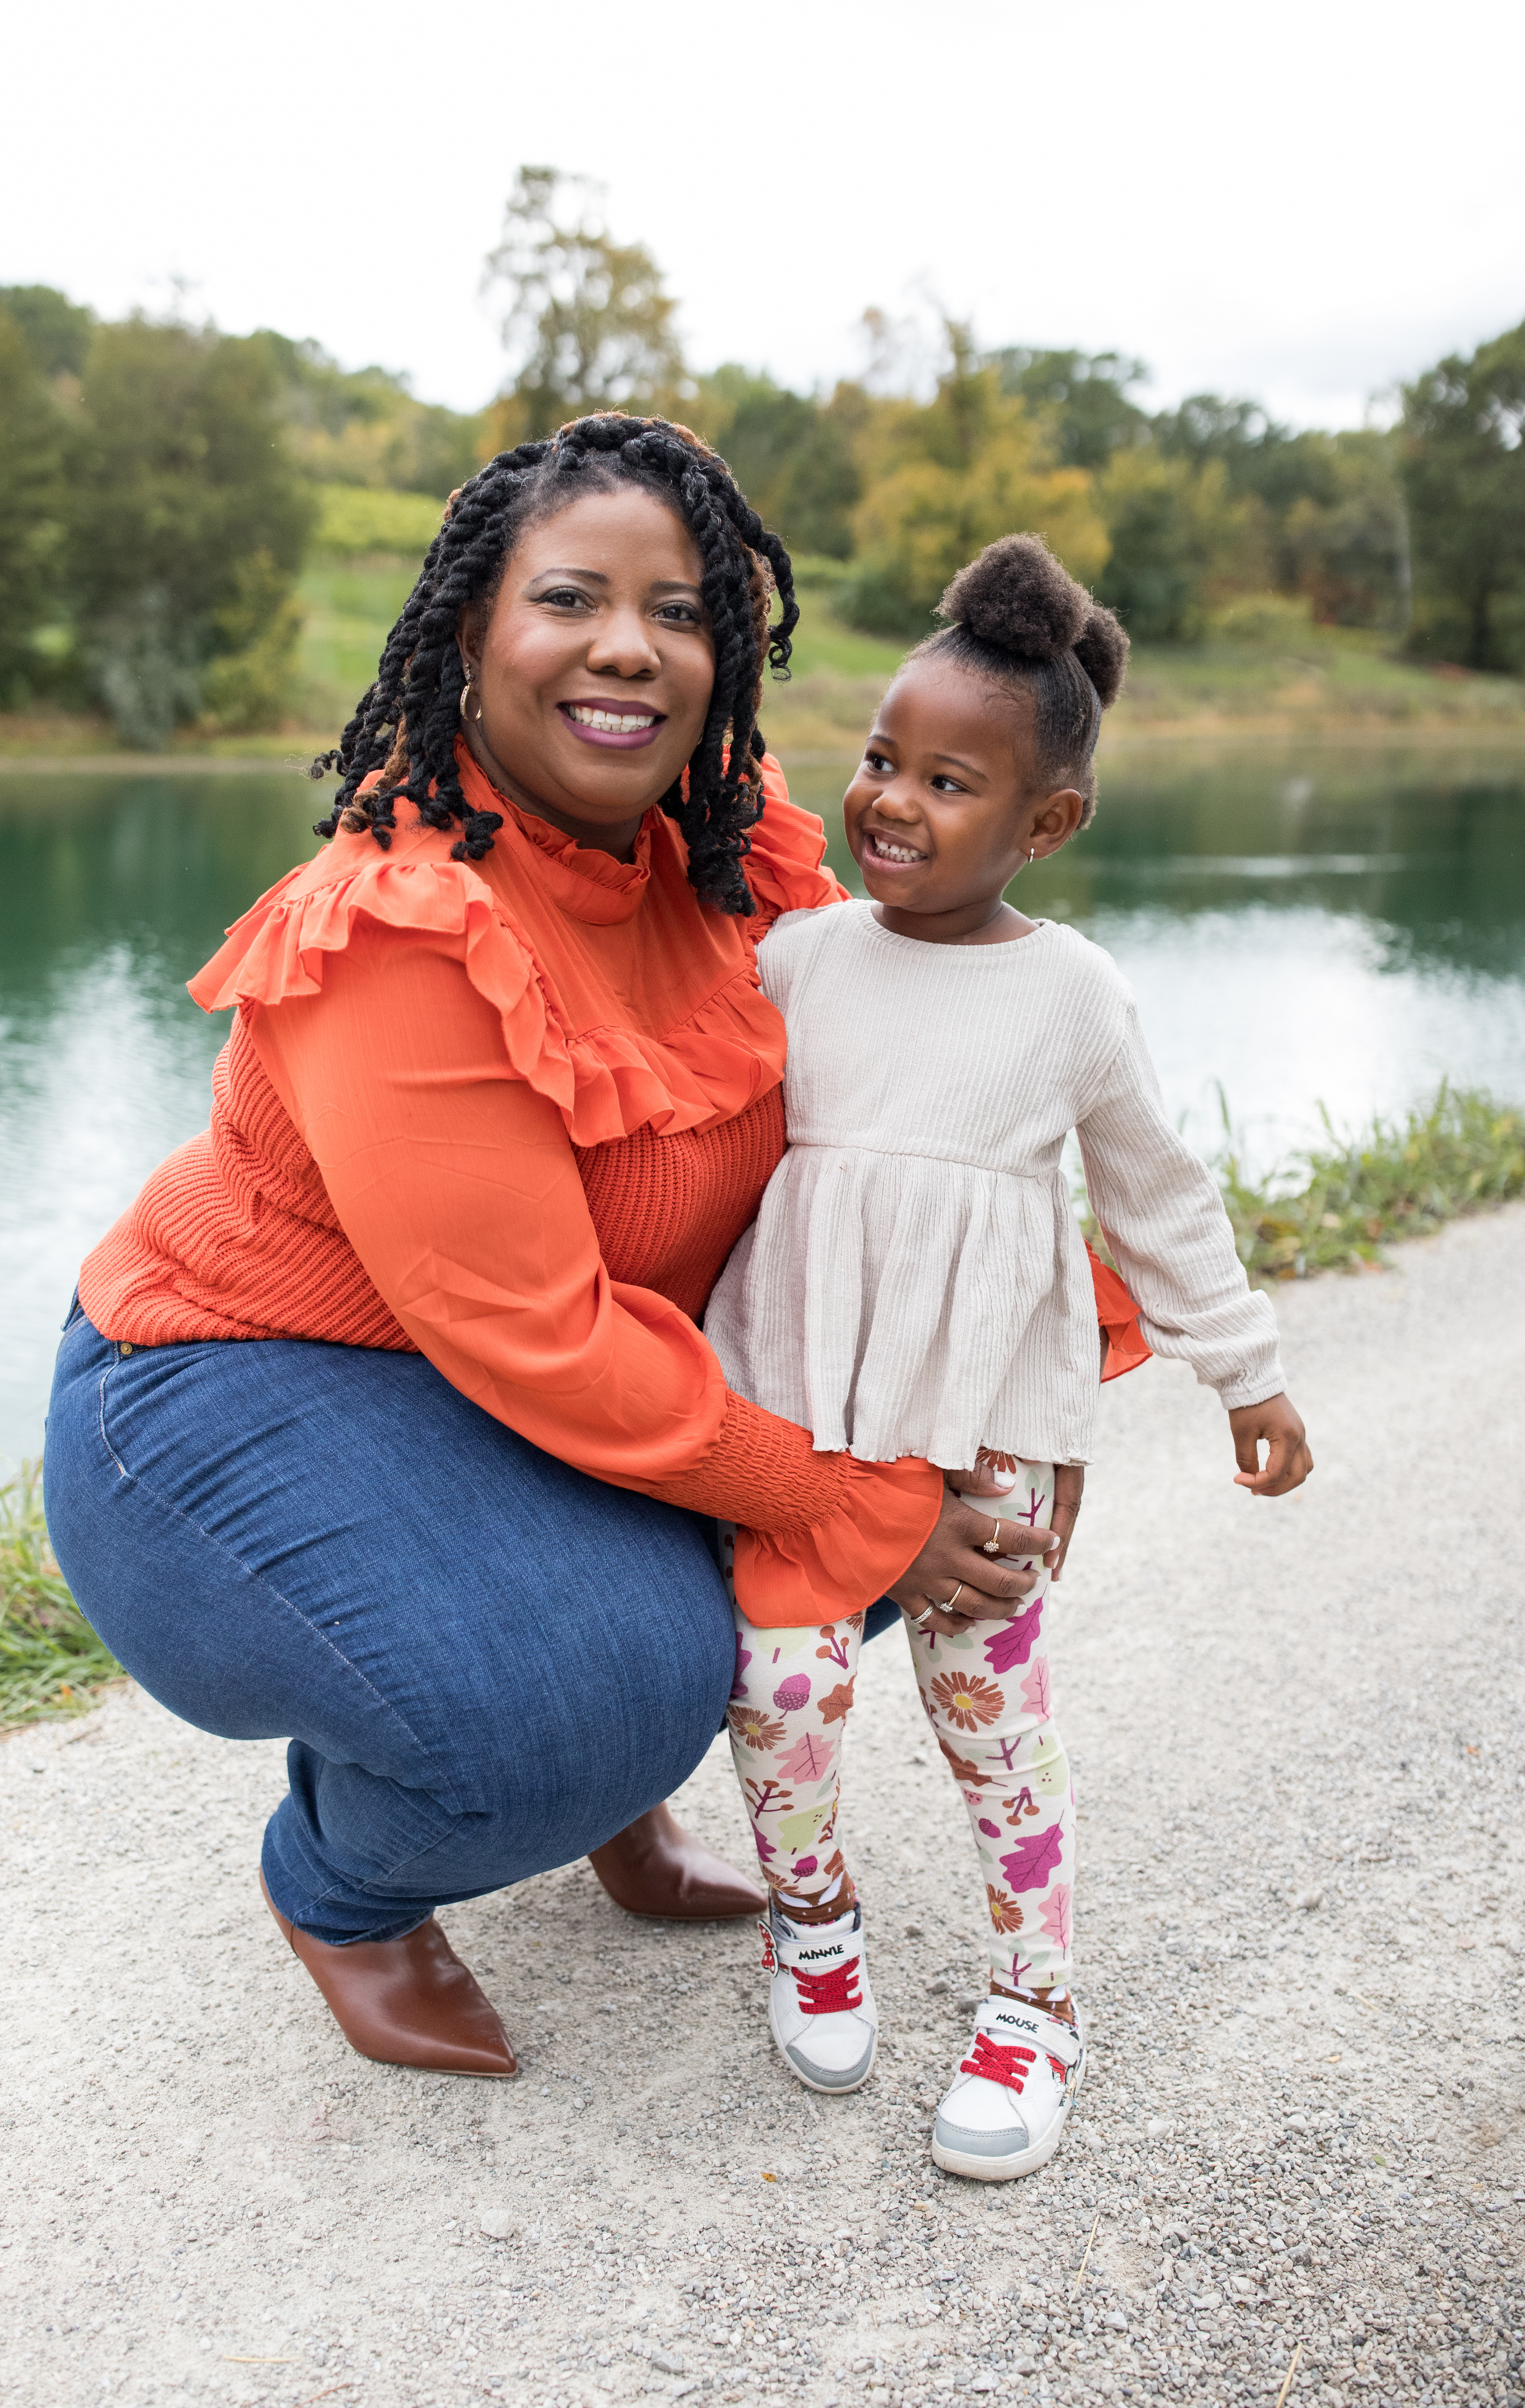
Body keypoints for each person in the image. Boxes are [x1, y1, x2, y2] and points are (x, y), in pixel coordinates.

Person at [42, 416, 1066, 2081]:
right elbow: (542, 1339)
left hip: (530, 1373)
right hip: (223, 1394)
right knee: (652, 1649)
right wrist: (842, 1492)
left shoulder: (732, 843)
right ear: (469, 633)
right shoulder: (402, 926)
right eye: (572, 598)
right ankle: (346, 1885)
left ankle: (610, 1771)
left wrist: (1028, 1369)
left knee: (927, 1481)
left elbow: (931, 1100)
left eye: (678, 613)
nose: (628, 647)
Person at [703, 534, 1314, 2180]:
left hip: (981, 1423)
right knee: (779, 1685)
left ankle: (1033, 2002)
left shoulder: (1072, 995)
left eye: (948, 781)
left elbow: (1156, 1194)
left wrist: (1239, 1369)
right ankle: (809, 1915)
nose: (890, 800)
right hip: (796, 1400)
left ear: (1044, 823)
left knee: (987, 1705)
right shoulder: (799, 954)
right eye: (879, 760)